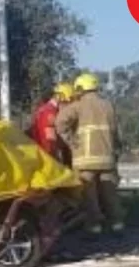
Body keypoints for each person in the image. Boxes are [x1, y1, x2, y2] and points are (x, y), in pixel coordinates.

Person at [55, 73, 125, 236]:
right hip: (107, 159)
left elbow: (60, 122)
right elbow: (116, 132)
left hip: (85, 162)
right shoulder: (108, 105)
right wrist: (115, 152)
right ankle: (117, 225)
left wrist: (72, 141)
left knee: (89, 197)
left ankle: (94, 228)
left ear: (80, 89)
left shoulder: (77, 106)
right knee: (110, 195)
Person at [28, 83, 75, 165]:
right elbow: (50, 142)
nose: (69, 107)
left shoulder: (44, 109)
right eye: (68, 103)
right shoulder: (50, 113)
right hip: (46, 158)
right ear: (61, 98)